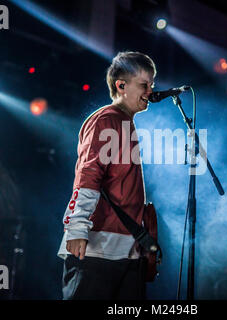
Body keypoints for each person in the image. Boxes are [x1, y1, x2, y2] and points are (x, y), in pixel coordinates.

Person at [57, 51, 156, 300]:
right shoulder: (106, 119)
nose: (151, 91)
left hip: (125, 250)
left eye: (152, 84)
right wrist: (77, 228)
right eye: (144, 84)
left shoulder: (125, 122)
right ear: (121, 86)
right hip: (97, 249)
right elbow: (88, 174)